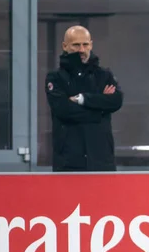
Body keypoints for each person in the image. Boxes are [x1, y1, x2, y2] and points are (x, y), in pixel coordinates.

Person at [45, 26, 123, 172]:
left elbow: (116, 101)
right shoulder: (55, 78)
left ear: (91, 45)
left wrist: (83, 99)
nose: (81, 49)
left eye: (85, 44)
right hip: (69, 161)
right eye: (76, 45)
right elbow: (64, 110)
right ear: (65, 46)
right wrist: (100, 111)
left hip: (101, 159)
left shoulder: (104, 75)